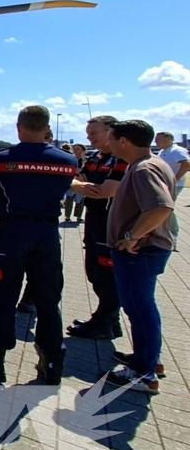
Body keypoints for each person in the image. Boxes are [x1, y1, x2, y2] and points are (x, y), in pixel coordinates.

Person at [0, 106, 78, 385]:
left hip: (11, 231)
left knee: (4, 296)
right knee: (48, 299)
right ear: (46, 127)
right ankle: (51, 361)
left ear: (19, 127)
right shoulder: (66, 160)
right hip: (48, 232)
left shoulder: (2, 160)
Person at [104, 120, 175, 394]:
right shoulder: (150, 163)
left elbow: (160, 208)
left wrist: (133, 236)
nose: (108, 143)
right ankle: (146, 359)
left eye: (112, 138)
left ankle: (142, 373)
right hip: (145, 250)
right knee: (141, 308)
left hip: (140, 251)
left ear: (125, 141)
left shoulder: (145, 168)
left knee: (139, 309)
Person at [66, 116, 127, 340]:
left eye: (94, 133)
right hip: (93, 220)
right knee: (93, 271)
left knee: (106, 274)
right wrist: (83, 185)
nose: (89, 138)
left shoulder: (120, 159)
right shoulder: (96, 157)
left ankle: (104, 322)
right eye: (88, 133)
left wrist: (84, 185)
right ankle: (110, 321)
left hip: (110, 222)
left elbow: (105, 191)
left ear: (111, 132)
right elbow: (74, 181)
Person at [154, 131, 188, 242]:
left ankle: (172, 236)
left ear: (169, 139)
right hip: (163, 184)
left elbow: (186, 164)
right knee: (163, 208)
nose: (155, 141)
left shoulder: (176, 150)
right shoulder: (162, 151)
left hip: (173, 185)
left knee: (166, 209)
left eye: (159, 139)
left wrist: (175, 179)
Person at [63, 143, 87, 223]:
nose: (76, 150)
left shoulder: (85, 160)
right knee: (69, 199)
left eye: (78, 149)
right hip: (71, 181)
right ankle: (67, 217)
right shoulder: (70, 159)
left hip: (82, 181)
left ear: (82, 150)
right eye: (74, 148)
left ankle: (79, 216)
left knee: (81, 201)